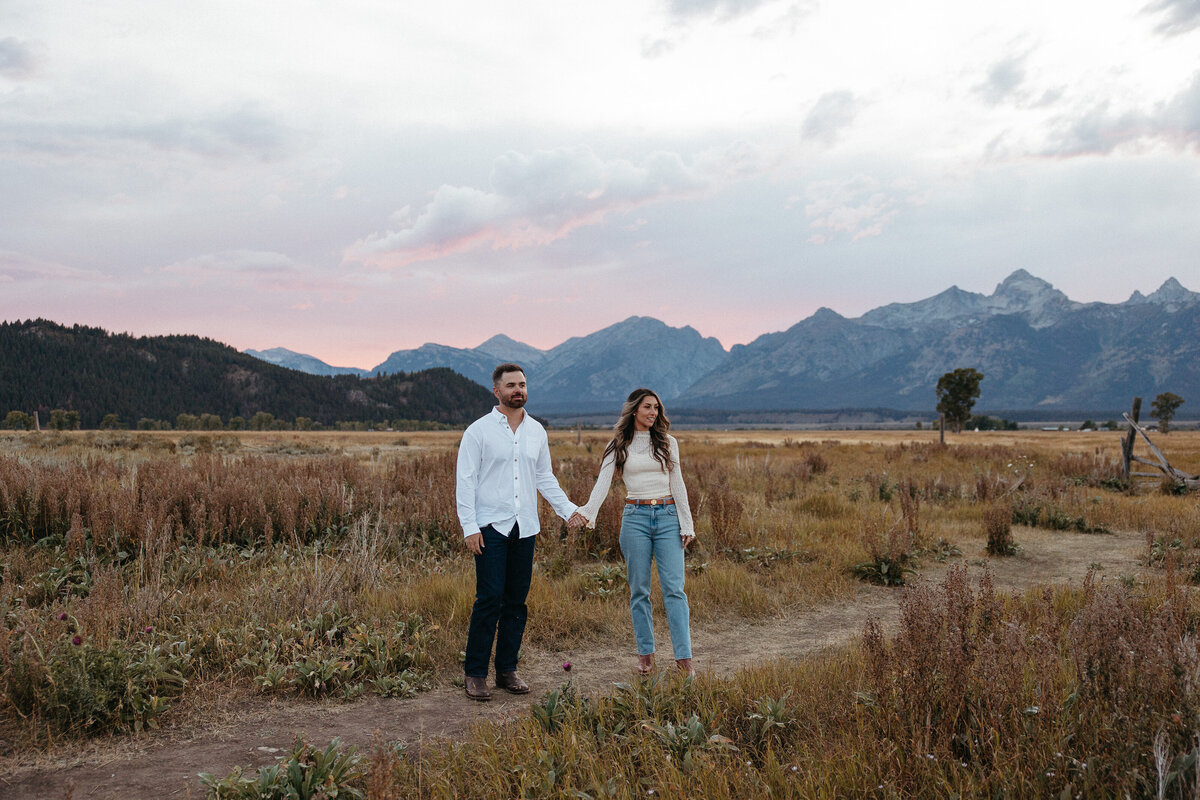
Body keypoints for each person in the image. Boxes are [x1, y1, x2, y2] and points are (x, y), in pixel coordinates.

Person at [456, 363, 580, 701]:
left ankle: (507, 670)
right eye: (511, 385)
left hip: (525, 527)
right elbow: (465, 483)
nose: (518, 390)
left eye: (522, 384)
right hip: (490, 528)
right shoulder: (478, 432)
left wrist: (568, 510)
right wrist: (470, 527)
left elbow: (544, 478)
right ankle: (475, 674)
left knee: (516, 602)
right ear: (496, 391)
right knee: (489, 600)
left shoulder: (536, 431)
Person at [570, 388, 696, 677]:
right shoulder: (618, 445)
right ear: (634, 410)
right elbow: (603, 483)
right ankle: (645, 655)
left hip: (667, 517)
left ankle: (684, 659)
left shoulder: (668, 443)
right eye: (647, 407)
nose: (653, 412)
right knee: (639, 591)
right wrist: (587, 511)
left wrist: (686, 523)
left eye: (656, 408)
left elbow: (678, 483)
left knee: (675, 590)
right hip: (635, 518)